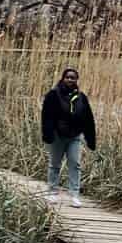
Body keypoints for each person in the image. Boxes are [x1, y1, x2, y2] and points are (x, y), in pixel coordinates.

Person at [40, 66, 97, 206]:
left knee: (75, 163)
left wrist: (90, 139)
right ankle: (52, 192)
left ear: (77, 80)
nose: (70, 79)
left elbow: (88, 118)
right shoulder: (53, 95)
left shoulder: (81, 97)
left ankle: (74, 194)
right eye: (67, 77)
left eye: (73, 77)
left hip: (75, 136)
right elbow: (46, 116)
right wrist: (48, 134)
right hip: (57, 135)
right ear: (63, 78)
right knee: (55, 164)